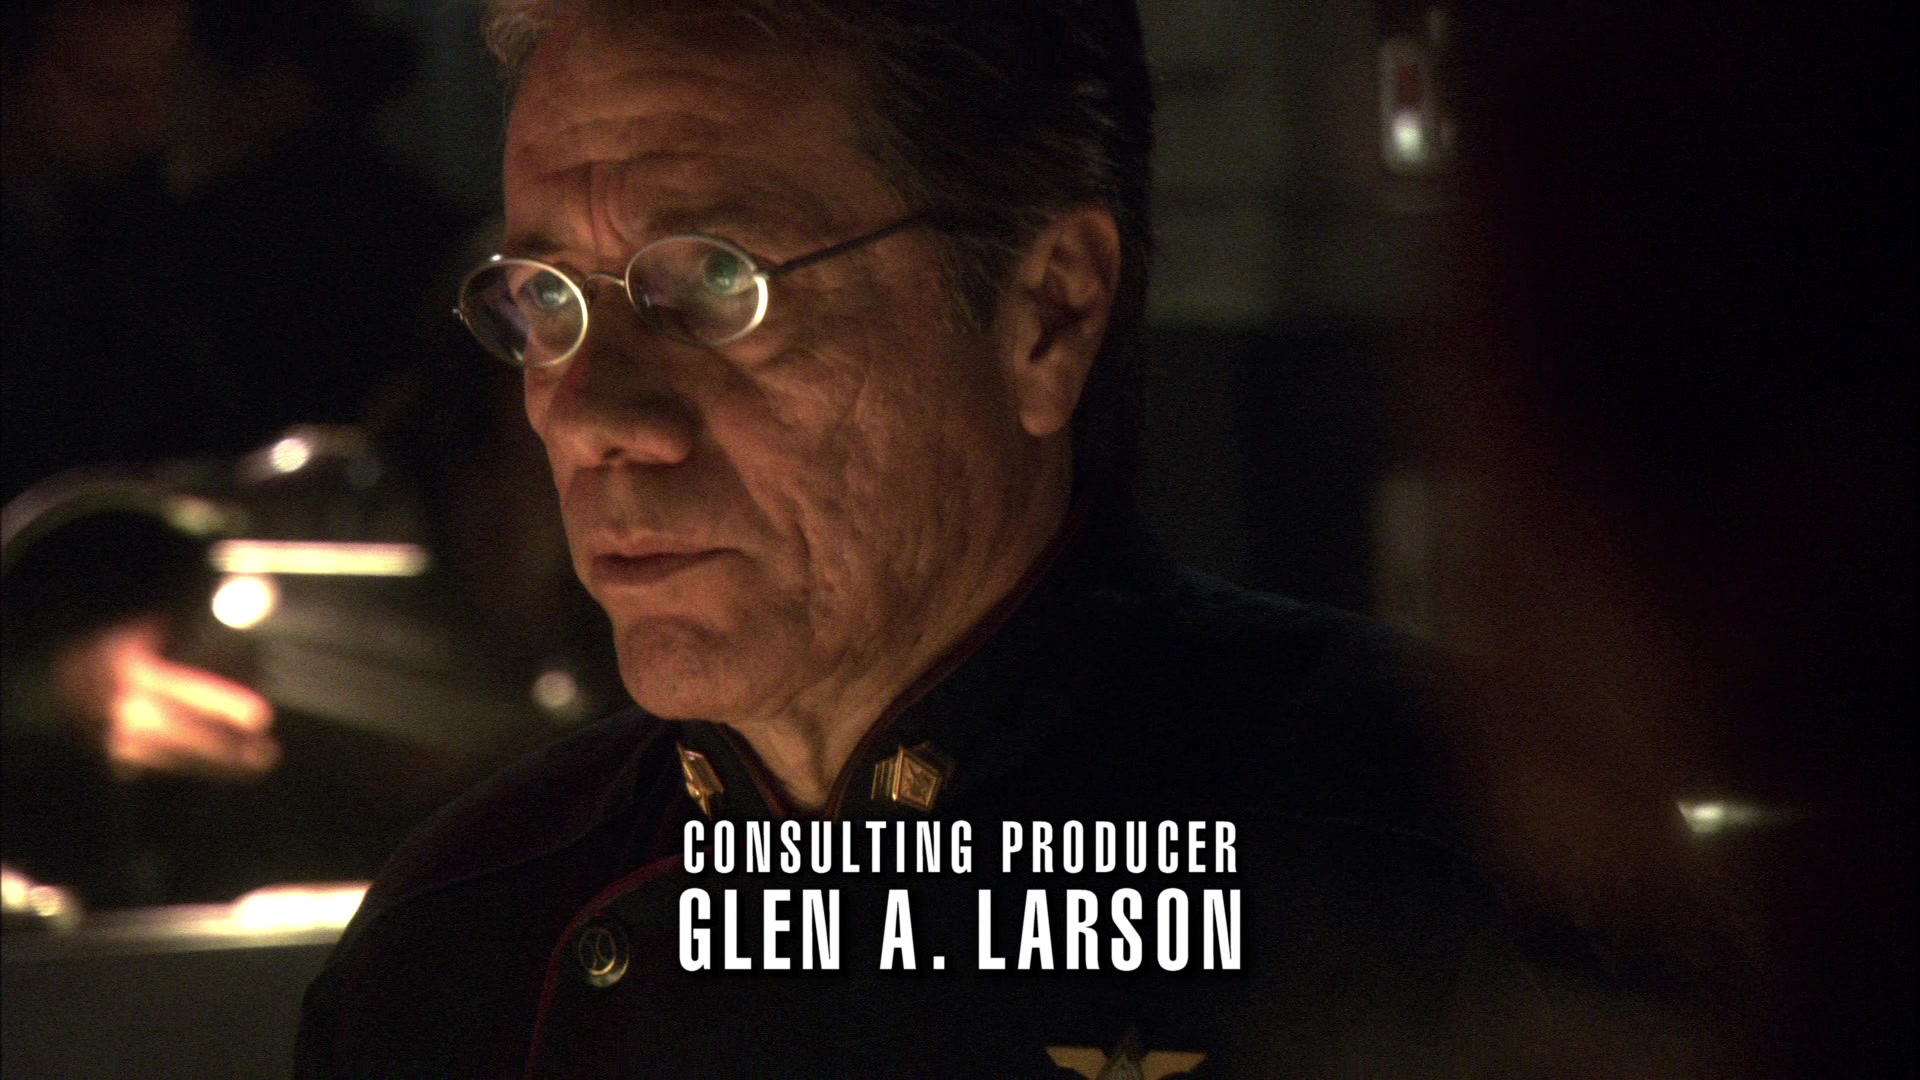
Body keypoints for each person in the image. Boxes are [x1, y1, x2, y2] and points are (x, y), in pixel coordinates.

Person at [296, 2, 1583, 1075]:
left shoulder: (1453, 870)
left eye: (714, 283)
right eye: (545, 300)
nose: (591, 416)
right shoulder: (461, 950)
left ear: (1047, 314)